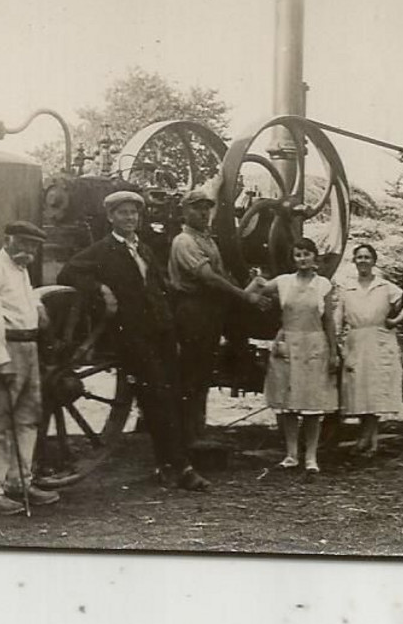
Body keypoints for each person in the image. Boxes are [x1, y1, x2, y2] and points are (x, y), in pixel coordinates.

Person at [59, 191, 197, 489]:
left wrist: (171, 327)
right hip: (132, 335)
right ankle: (179, 467)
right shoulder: (102, 250)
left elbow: (158, 287)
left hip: (160, 331)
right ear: (111, 217)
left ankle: (170, 465)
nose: (130, 218)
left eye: (134, 213)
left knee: (172, 395)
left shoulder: (144, 250)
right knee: (157, 397)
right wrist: (101, 289)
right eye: (123, 213)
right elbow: (67, 272)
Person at [167, 186, 263, 469]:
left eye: (207, 207)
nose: (204, 212)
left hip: (210, 311)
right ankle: (187, 438)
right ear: (185, 211)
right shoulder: (184, 241)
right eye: (197, 208)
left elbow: (221, 274)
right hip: (193, 309)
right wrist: (244, 295)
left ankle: (197, 432)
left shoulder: (207, 240)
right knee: (192, 374)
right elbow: (208, 277)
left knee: (202, 374)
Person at [0, 220, 57, 514]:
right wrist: (1, 358)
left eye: (33, 245)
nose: (28, 249)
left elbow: (22, 299)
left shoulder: (20, 269)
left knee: (28, 417)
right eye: (23, 243)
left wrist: (38, 307)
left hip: (28, 347)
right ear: (8, 239)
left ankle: (19, 482)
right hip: (6, 347)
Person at [257, 237, 341, 475]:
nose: (302, 259)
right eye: (297, 255)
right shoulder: (283, 282)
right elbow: (256, 289)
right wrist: (256, 281)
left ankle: (311, 457)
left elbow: (329, 322)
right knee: (289, 406)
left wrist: (334, 352)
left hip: (314, 345)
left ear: (315, 257)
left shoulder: (323, 285)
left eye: (306, 254)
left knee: (312, 405)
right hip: (289, 345)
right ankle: (292, 454)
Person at [332, 243, 403, 456]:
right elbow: (338, 318)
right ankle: (368, 440)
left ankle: (367, 441)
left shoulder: (385, 286)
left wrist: (395, 320)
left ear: (374, 261)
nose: (363, 261)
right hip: (356, 341)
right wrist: (337, 345)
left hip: (380, 340)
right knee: (359, 390)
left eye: (367, 257)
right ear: (354, 261)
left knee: (375, 390)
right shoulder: (346, 288)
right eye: (359, 257)